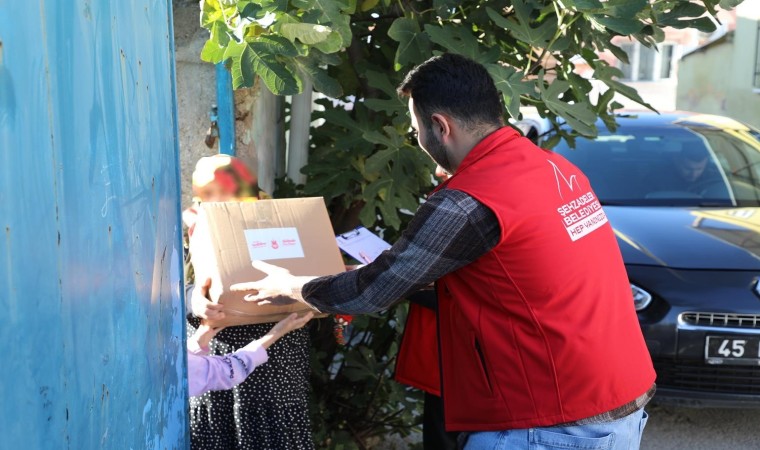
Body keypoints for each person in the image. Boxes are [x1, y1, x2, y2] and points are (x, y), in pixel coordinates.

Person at [232, 54, 656, 449]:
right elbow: (523, 272)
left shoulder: (470, 198)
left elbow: (373, 292)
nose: (417, 138)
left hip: (553, 421)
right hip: (616, 402)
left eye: (415, 127)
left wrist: (294, 287)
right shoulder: (554, 168)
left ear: (440, 126)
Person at [184, 154, 315, 450]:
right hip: (216, 354)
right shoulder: (191, 228)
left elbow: (312, 271)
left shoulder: (280, 224)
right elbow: (169, 292)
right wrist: (195, 299)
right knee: (219, 431)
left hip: (277, 356)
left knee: (273, 434)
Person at [187, 278, 314, 397]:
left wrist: (198, 342)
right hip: (243, 355)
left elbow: (184, 364)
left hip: (271, 359)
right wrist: (276, 333)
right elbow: (226, 372)